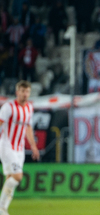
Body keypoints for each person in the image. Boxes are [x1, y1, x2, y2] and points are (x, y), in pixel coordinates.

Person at [0, 80, 40, 215]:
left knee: (10, 178)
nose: (25, 94)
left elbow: (28, 127)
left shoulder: (29, 108)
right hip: (7, 146)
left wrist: (33, 146)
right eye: (22, 91)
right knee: (18, 176)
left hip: (19, 149)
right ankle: (1, 208)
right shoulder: (8, 107)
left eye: (27, 91)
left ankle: (3, 209)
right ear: (17, 92)